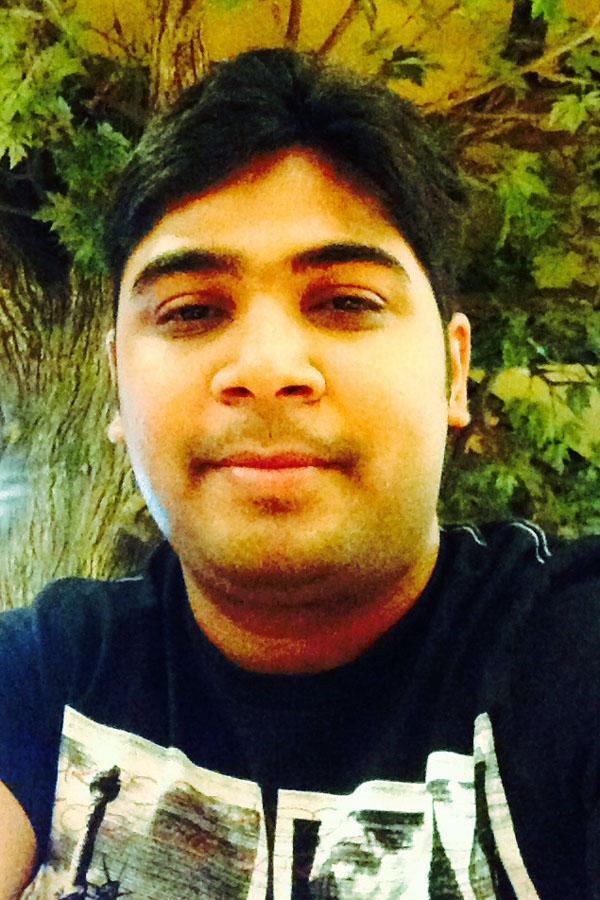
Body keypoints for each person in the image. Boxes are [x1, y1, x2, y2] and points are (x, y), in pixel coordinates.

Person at [0, 47, 598, 900]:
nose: (268, 367)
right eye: (192, 311)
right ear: (117, 386)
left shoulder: (567, 656)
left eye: (346, 302)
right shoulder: (44, 676)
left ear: (453, 372)